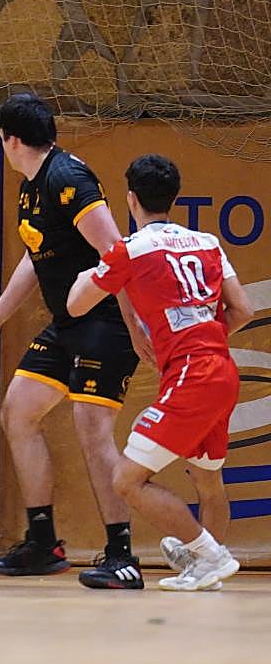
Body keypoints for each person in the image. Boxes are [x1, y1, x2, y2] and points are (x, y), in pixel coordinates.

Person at [0, 92, 153, 590]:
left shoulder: (68, 179)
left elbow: (118, 255)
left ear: (11, 139)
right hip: (68, 323)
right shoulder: (32, 186)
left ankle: (121, 554)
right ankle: (44, 543)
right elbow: (35, 257)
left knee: (92, 429)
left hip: (105, 322)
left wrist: (134, 327)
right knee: (18, 411)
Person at [67, 154, 253, 591]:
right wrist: (202, 334)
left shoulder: (129, 251)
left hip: (191, 374)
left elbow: (76, 305)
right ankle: (206, 567)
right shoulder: (207, 242)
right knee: (208, 481)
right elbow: (242, 309)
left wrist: (89, 269)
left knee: (127, 480)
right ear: (174, 198)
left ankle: (211, 555)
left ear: (131, 199)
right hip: (222, 370)